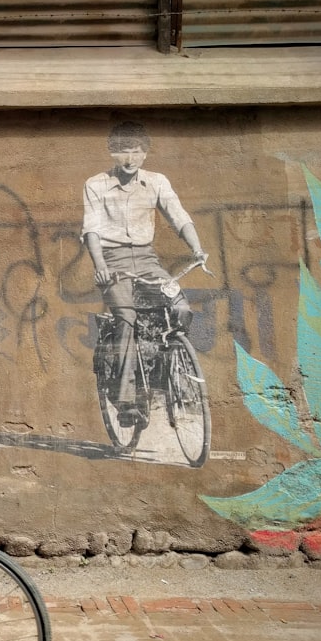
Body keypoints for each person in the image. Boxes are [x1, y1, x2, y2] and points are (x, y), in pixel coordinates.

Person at [82, 121, 208, 429]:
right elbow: (92, 230)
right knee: (126, 318)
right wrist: (101, 267)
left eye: (136, 152)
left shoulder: (157, 182)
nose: (129, 159)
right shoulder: (96, 184)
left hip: (147, 259)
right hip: (113, 259)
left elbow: (178, 215)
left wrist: (197, 250)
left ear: (145, 154)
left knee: (179, 307)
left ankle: (168, 370)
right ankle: (126, 401)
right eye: (123, 152)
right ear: (112, 153)